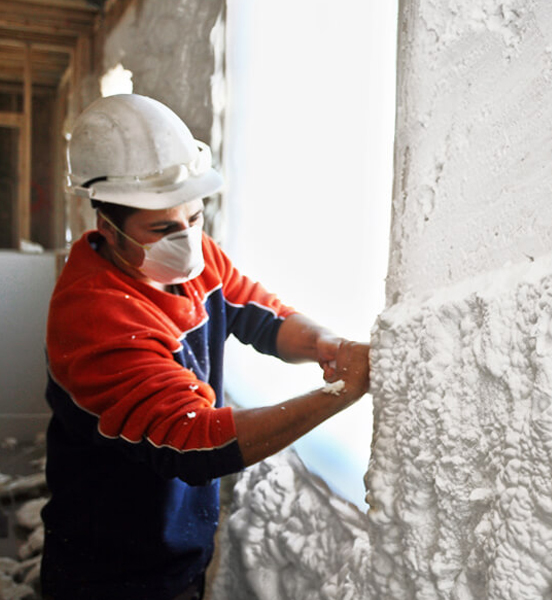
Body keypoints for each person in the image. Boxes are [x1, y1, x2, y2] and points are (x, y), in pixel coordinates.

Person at [41, 94, 370, 600]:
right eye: (165, 228)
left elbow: (259, 314)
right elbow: (193, 442)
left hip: (176, 550)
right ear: (107, 227)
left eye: (195, 217)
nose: (189, 239)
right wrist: (339, 395)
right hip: (106, 568)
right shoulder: (94, 316)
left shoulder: (192, 261)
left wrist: (327, 343)